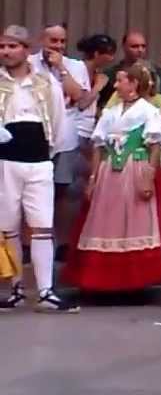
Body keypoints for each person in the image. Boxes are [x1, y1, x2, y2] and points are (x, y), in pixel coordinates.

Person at [61, 65, 161, 293]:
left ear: (134, 83)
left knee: (134, 219)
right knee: (106, 220)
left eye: (120, 81)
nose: (116, 85)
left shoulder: (148, 112)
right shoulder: (110, 113)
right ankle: (104, 280)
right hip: (110, 172)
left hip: (134, 168)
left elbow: (155, 147)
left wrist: (148, 176)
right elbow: (99, 146)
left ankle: (134, 281)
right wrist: (93, 177)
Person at [0, 25, 78, 312]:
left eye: (13, 46)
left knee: (42, 224)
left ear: (26, 49)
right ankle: (17, 288)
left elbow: (57, 124)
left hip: (39, 161)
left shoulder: (46, 84)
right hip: (5, 162)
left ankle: (45, 290)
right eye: (3, 47)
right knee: (8, 226)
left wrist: (47, 152)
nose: (7, 52)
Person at [30, 25, 94, 260]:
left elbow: (80, 98)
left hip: (65, 138)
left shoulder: (75, 66)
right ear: (41, 40)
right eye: (52, 40)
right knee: (35, 192)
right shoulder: (28, 63)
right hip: (36, 138)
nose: (57, 46)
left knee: (63, 192)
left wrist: (61, 67)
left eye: (62, 41)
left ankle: (61, 243)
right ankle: (30, 244)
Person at [100, 30, 161, 109]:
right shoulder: (110, 73)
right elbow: (102, 103)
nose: (140, 50)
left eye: (143, 46)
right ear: (124, 47)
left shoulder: (155, 72)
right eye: (134, 46)